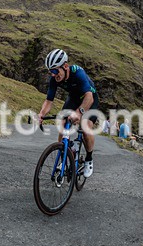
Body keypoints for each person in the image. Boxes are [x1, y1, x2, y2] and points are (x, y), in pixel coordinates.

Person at [37, 49, 100, 177]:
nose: (53, 75)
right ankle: (65, 156)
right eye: (50, 72)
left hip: (89, 99)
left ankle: (89, 159)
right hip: (74, 99)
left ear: (65, 66)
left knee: (86, 127)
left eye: (55, 70)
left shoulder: (78, 73)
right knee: (62, 124)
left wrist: (79, 112)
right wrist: (41, 114)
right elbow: (49, 100)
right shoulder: (54, 79)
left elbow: (89, 98)